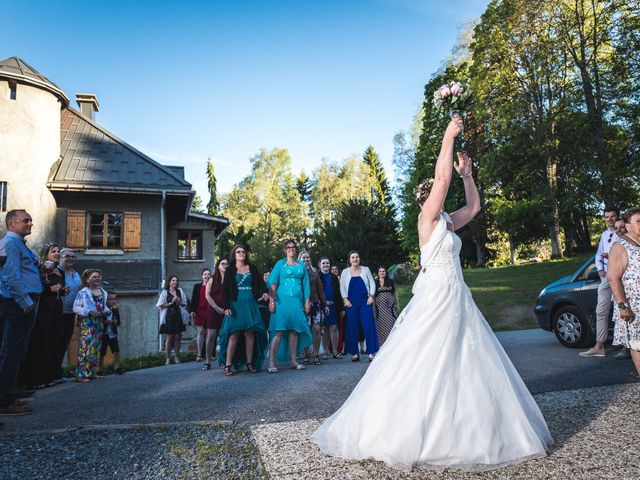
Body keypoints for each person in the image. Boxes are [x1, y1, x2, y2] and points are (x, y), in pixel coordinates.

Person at [311, 117, 553, 471]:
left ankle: (468, 426)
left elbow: (474, 209)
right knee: (426, 357)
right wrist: (447, 136)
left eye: (435, 193)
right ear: (424, 199)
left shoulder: (449, 222)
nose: (437, 194)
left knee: (466, 356)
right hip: (437, 294)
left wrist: (468, 175)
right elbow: (441, 179)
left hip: (458, 295)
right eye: (431, 193)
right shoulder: (426, 219)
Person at [0, 210, 42, 416]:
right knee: (12, 352)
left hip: (21, 303)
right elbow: (9, 275)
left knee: (15, 351)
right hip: (18, 305)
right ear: (11, 223)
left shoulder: (17, 244)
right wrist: (25, 302)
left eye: (30, 220)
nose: (30, 224)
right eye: (26, 220)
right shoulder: (10, 243)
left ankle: (9, 394)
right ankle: (5, 401)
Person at [17, 243, 65, 389]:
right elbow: (35, 286)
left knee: (53, 341)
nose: (57, 253)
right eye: (53, 251)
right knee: (41, 342)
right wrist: (48, 288)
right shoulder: (41, 268)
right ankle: (36, 378)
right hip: (43, 309)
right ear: (46, 254)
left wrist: (63, 290)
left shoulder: (60, 271)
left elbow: (59, 289)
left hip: (57, 308)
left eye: (58, 251)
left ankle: (50, 375)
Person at [219, 245, 269, 375]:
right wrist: (226, 307)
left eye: (243, 252)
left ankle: (249, 362)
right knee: (233, 334)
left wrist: (264, 292)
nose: (241, 253)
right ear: (234, 254)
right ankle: (228, 364)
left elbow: (260, 282)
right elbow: (224, 291)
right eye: (238, 252)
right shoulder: (230, 270)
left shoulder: (252, 268)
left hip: (250, 303)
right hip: (235, 304)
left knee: (250, 333)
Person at [580, 207, 620, 357]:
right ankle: (599, 346)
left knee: (621, 311)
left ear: (618, 216)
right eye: (606, 217)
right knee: (601, 311)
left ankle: (627, 347)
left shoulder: (624, 233)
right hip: (606, 278)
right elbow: (598, 254)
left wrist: (609, 257)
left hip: (621, 278)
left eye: (612, 216)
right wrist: (599, 269)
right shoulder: (605, 234)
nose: (609, 219)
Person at [267, 239, 312, 373]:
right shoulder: (280, 264)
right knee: (279, 330)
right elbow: (273, 284)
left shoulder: (301, 265)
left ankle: (293, 361)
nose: (291, 249)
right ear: (285, 250)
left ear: (295, 249)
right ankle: (271, 363)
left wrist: (307, 301)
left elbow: (306, 285)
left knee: (294, 330)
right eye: (288, 247)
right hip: (281, 303)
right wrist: (271, 301)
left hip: (296, 303)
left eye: (293, 247)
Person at [608, 207, 640, 379]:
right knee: (638, 345)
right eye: (638, 221)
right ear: (627, 226)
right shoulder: (621, 246)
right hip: (634, 307)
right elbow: (613, 278)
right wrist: (622, 305)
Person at [73, 269, 111, 382]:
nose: (97, 278)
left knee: (96, 347)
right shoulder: (83, 292)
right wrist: (88, 311)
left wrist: (107, 311)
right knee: (86, 347)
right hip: (88, 323)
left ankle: (91, 372)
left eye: (99, 276)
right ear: (87, 279)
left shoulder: (103, 292)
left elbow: (102, 307)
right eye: (94, 277)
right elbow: (75, 308)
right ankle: (80, 374)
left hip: (99, 323)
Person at [340, 251, 378, 362]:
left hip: (365, 302)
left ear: (359, 259)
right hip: (351, 303)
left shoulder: (366, 269)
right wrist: (345, 299)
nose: (355, 259)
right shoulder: (345, 272)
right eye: (353, 257)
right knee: (352, 327)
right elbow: (342, 286)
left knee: (368, 325)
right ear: (350, 259)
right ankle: (354, 353)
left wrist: (371, 296)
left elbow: (372, 283)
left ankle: (371, 352)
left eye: (357, 257)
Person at [299, 251, 327, 365]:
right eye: (303, 258)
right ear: (300, 259)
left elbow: (320, 288)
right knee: (305, 330)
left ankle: (316, 354)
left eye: (307, 257)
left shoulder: (315, 271)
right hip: (302, 305)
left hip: (315, 304)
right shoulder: (297, 271)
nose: (306, 259)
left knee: (316, 329)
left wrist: (324, 304)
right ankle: (305, 354)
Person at [201, 258, 228, 370]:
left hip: (226, 310)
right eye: (222, 264)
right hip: (213, 310)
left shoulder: (230, 279)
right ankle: (208, 361)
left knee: (225, 336)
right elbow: (207, 295)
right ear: (218, 266)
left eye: (227, 264)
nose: (225, 265)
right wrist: (216, 307)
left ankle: (223, 360)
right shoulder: (212, 279)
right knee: (211, 336)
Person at [58, 248, 81, 377]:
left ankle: (58, 369)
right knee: (57, 341)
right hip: (59, 312)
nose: (70, 258)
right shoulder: (57, 272)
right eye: (67, 256)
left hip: (71, 313)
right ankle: (54, 371)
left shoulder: (75, 273)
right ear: (60, 257)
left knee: (65, 342)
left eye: (73, 257)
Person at [156, 275, 189, 365]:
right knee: (169, 338)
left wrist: (179, 302)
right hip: (169, 317)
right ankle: (168, 358)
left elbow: (184, 304)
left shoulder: (180, 291)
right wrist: (171, 302)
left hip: (178, 316)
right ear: (169, 282)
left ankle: (177, 357)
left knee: (178, 337)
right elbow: (160, 305)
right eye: (173, 280)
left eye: (176, 281)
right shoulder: (165, 293)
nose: (175, 282)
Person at [612, 219, 631, 360]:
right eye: (616, 228)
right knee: (625, 322)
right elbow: (613, 278)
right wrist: (622, 305)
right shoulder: (617, 246)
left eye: (622, 227)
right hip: (623, 295)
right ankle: (627, 347)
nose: (619, 230)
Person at [318, 257, 343, 359]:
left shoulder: (334, 277)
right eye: (323, 263)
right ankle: (326, 351)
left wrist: (341, 308)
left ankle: (335, 351)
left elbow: (338, 293)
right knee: (324, 328)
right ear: (320, 265)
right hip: (322, 306)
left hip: (333, 306)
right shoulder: (318, 276)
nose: (325, 265)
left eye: (327, 263)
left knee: (333, 328)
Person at [374, 266, 400, 346]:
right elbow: (373, 295)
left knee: (391, 323)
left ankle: (392, 343)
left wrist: (397, 304)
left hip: (389, 307)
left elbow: (395, 293)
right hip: (380, 309)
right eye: (380, 271)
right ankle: (382, 345)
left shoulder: (390, 281)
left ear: (386, 272)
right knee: (381, 325)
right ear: (378, 273)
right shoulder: (375, 283)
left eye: (383, 271)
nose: (382, 273)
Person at [190, 268, 212, 362]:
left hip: (210, 311)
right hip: (199, 311)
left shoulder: (213, 286)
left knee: (209, 334)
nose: (206, 276)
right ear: (202, 276)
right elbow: (193, 299)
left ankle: (208, 355)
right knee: (201, 332)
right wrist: (192, 310)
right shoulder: (197, 286)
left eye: (208, 274)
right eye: (205, 274)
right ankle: (199, 354)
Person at [98, 292, 122, 375]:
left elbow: (118, 322)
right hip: (104, 334)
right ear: (106, 300)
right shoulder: (102, 309)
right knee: (102, 353)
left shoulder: (115, 309)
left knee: (116, 351)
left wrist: (114, 322)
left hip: (113, 334)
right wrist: (105, 322)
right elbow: (99, 321)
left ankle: (117, 368)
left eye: (115, 299)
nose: (113, 301)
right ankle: (100, 370)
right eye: (111, 299)